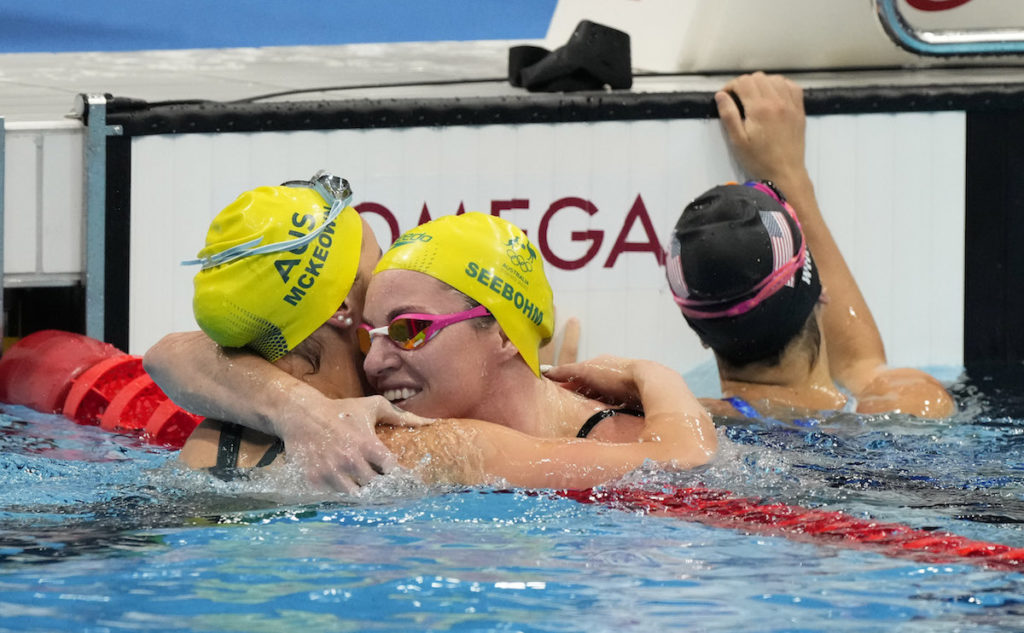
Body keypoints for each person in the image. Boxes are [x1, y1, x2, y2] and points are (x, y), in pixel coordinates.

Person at [150, 175, 716, 490]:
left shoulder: (210, 443)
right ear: (344, 307)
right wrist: (652, 372)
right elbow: (685, 460)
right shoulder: (439, 448)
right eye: (379, 311)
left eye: (410, 327)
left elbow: (170, 355)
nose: (378, 356)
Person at [666, 72, 954, 421]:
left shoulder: (680, 424)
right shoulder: (911, 406)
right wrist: (786, 173)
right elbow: (865, 369)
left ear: (698, 329)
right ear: (819, 292)